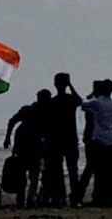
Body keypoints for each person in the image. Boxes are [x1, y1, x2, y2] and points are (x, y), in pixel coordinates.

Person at [3, 89, 50, 207]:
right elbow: (12, 121)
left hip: (25, 147)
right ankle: (30, 200)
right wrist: (7, 137)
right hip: (31, 148)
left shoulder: (28, 111)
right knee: (33, 176)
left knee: (27, 176)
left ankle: (25, 200)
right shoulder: (41, 113)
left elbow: (12, 121)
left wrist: (7, 137)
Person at [81, 79, 112, 207]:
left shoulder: (97, 103)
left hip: (98, 140)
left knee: (97, 170)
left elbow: (83, 104)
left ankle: (98, 197)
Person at [45, 73, 82, 207]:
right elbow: (79, 100)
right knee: (72, 171)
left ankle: (60, 197)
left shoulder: (52, 102)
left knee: (58, 172)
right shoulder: (70, 100)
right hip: (70, 140)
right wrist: (70, 84)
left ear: (55, 84)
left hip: (57, 141)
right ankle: (75, 199)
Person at [75, 80, 102, 206]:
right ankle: (83, 194)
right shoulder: (95, 102)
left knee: (91, 167)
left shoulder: (90, 100)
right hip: (94, 137)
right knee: (92, 167)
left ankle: (82, 194)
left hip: (90, 136)